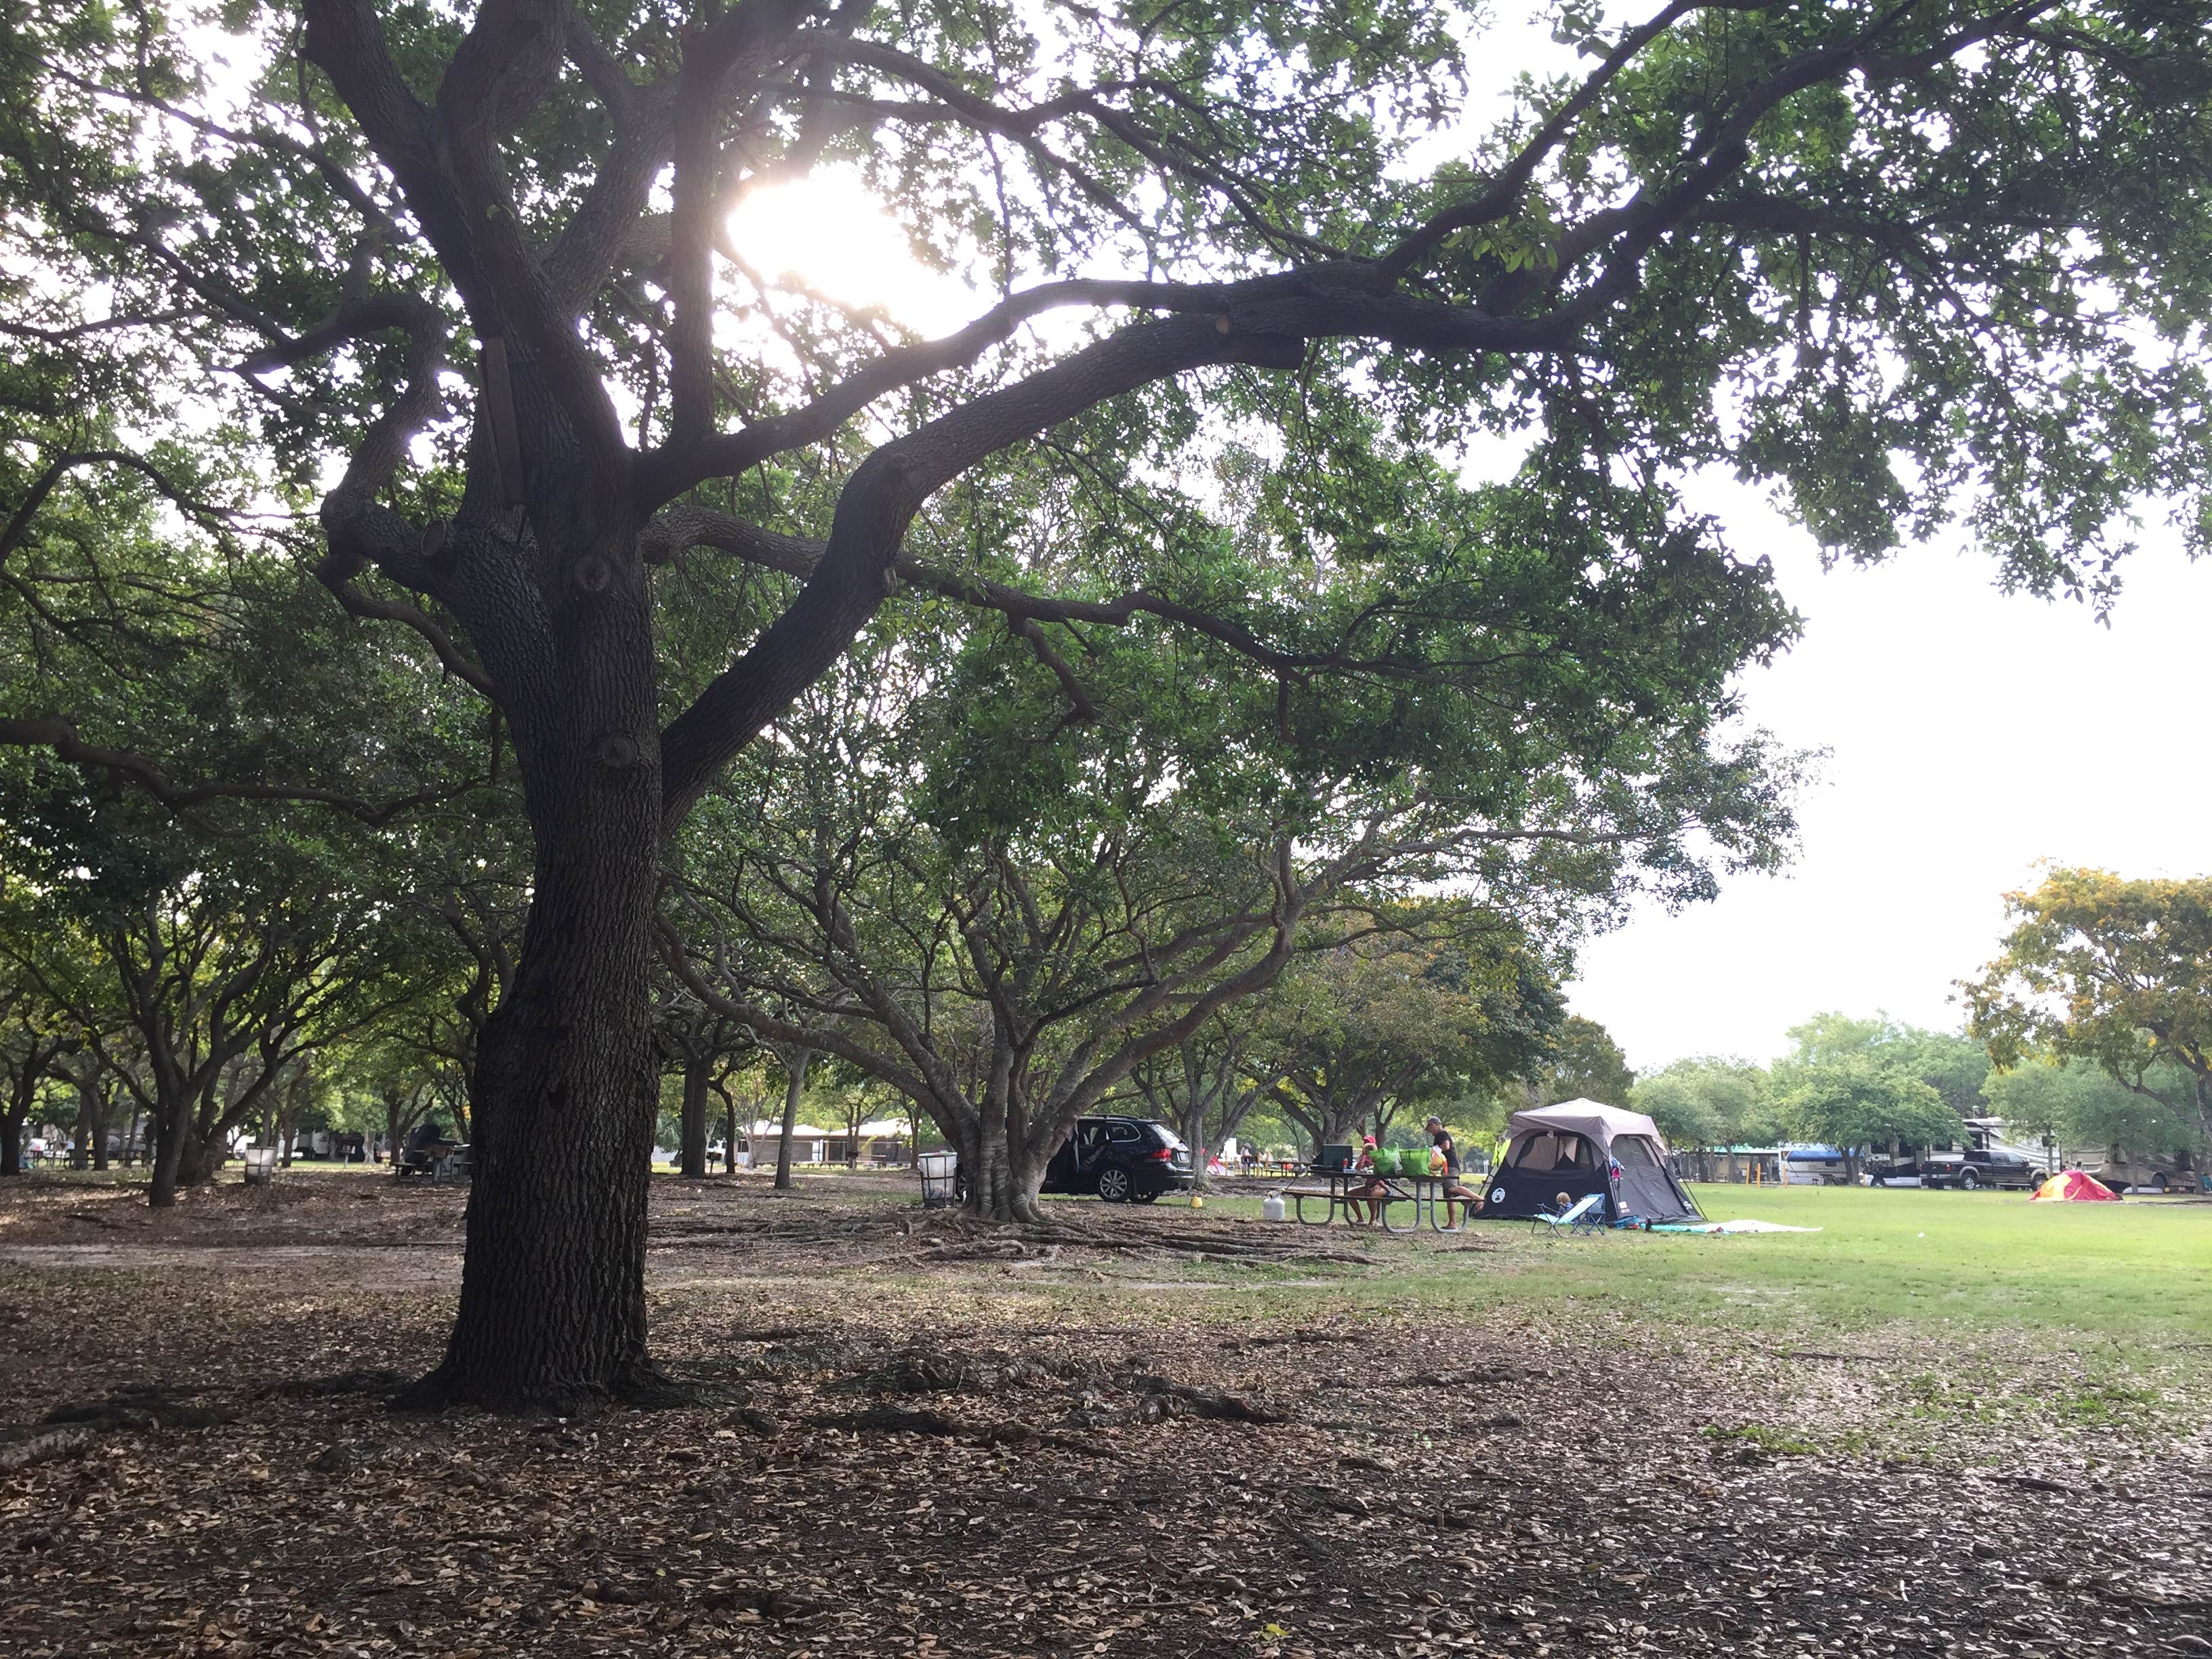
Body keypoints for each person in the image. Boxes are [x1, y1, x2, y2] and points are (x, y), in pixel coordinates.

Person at [1425, 1114, 1483, 1225]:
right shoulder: (1440, 1135)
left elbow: (1446, 1146)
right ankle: (1452, 1223)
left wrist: (1434, 1150)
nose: (1430, 1131)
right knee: (1449, 1195)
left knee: (1452, 1189)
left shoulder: (1441, 1134)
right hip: (1447, 1166)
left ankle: (1478, 1198)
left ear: (1436, 1125)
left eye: (1430, 1127)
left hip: (1450, 1165)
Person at [1347, 1134, 1391, 1225]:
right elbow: (1357, 1169)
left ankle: (1373, 1220)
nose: (1366, 1146)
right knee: (1350, 1195)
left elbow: (1382, 1170)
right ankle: (1360, 1218)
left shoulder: (1379, 1156)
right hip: (1369, 1185)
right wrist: (1363, 1156)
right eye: (1365, 1144)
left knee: (1372, 1195)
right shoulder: (1364, 1157)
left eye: (1368, 1144)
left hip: (1381, 1185)